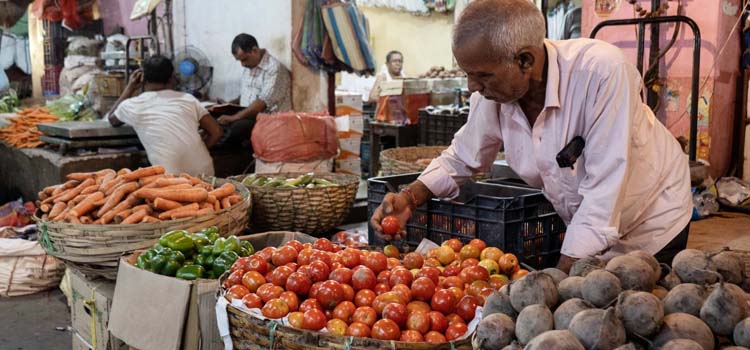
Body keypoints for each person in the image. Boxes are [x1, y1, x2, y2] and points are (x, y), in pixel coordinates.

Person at [370, 0, 692, 272]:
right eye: (468, 74)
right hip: (589, 230)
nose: (471, 87)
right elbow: (462, 156)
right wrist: (408, 198)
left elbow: (603, 193)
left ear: (524, 60)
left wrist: (556, 283)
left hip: (653, 220)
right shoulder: (493, 96)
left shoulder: (600, 73)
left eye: (481, 76)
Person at [108, 55, 223, 176]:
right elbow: (217, 132)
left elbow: (112, 119)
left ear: (143, 78)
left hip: (171, 179)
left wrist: (130, 87)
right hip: (204, 171)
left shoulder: (132, 105)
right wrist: (197, 151)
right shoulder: (188, 100)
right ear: (172, 77)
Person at [215, 33, 291, 145]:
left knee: (236, 128)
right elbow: (247, 94)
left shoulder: (274, 68)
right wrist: (227, 105)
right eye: (239, 61)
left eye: (244, 59)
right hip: (250, 114)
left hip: (269, 119)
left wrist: (234, 117)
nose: (242, 64)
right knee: (213, 117)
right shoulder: (250, 65)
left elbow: (262, 103)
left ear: (254, 50)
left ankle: (231, 158)